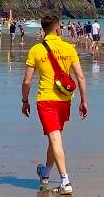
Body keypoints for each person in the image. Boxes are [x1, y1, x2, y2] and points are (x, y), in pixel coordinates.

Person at [21, 15, 88, 195]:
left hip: (46, 100)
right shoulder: (69, 48)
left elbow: (27, 81)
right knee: (54, 137)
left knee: (55, 138)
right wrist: (83, 100)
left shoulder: (36, 50)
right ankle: (45, 173)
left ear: (43, 29)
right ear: (58, 28)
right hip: (65, 100)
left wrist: (24, 101)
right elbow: (80, 77)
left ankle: (65, 181)